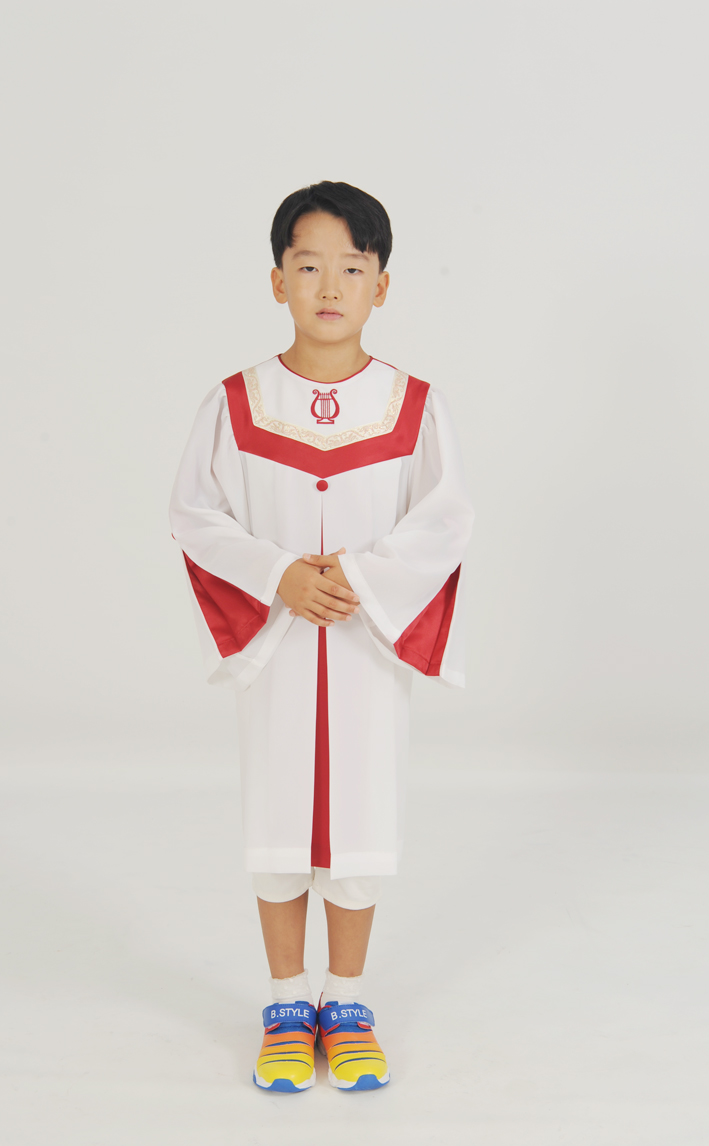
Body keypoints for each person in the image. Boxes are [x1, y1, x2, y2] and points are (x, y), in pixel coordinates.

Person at [170, 181, 474, 1092]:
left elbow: (445, 521)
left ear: (382, 284)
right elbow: (195, 513)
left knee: (361, 816)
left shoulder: (412, 404)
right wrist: (279, 575)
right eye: (309, 266)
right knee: (279, 819)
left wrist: (361, 580)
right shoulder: (238, 401)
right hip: (280, 643)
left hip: (367, 644)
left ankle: (345, 1001)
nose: (330, 285)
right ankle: (283, 1002)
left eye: (353, 266)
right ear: (278, 281)